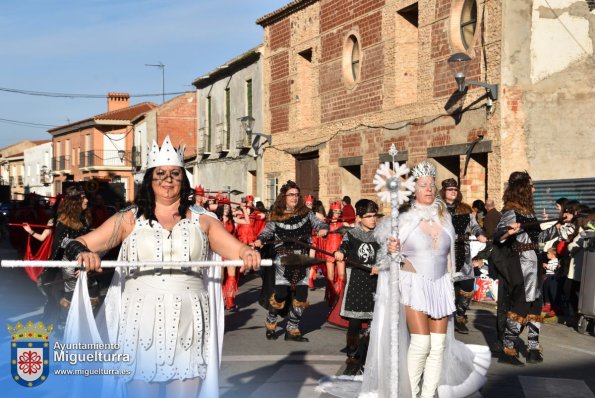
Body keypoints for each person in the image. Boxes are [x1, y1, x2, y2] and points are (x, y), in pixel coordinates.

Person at [63, 136, 261, 397]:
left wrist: (247, 252)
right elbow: (75, 243)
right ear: (150, 179)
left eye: (175, 174)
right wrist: (85, 253)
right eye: (161, 173)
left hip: (189, 321)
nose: (168, 180)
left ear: (183, 179)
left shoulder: (204, 220)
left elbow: (234, 248)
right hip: (139, 319)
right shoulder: (129, 219)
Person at [319, 160, 490, 398]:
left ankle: (428, 395)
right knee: (421, 345)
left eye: (431, 184)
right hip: (414, 285)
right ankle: (411, 393)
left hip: (440, 285)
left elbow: (450, 255)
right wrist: (392, 251)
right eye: (423, 185)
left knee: (438, 346)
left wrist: (453, 279)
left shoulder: (445, 220)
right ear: (414, 190)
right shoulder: (403, 222)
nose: (429, 188)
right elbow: (388, 260)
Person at [492, 171, 558, 366]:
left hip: (535, 266)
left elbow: (539, 239)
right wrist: (508, 232)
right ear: (522, 189)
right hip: (520, 268)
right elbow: (498, 236)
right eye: (531, 186)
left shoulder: (529, 213)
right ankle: (508, 348)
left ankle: (533, 348)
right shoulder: (511, 212)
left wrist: (561, 227)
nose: (534, 189)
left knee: (536, 307)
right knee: (520, 308)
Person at [254, 180, 328, 342]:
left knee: (301, 296)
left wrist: (323, 229)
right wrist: (260, 239)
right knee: (281, 293)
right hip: (284, 258)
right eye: (291, 195)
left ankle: (292, 330)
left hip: (301, 257)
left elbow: (319, 224)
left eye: (296, 194)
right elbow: (267, 232)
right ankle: (271, 323)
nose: (294, 198)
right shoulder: (276, 215)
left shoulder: (306, 213)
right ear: (284, 196)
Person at [333, 199, 381, 374]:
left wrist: (381, 266)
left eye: (374, 215)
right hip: (356, 282)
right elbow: (343, 247)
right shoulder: (351, 234)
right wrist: (340, 253)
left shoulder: (380, 234)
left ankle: (369, 355)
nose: (373, 219)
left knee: (373, 323)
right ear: (360, 217)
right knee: (354, 323)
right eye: (369, 216)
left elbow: (386, 254)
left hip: (375, 283)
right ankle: (353, 355)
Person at [440, 178, 487, 334]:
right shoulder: (437, 209)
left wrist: (480, 234)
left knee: (467, 285)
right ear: (444, 191)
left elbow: (475, 226)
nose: (453, 191)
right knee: (448, 287)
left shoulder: (466, 209)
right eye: (450, 189)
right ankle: (447, 318)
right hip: (444, 254)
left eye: (455, 189)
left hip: (463, 253)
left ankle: (460, 316)